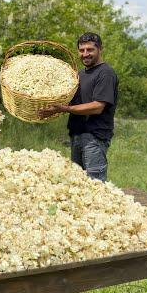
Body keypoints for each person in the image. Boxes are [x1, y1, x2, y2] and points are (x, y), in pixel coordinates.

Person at [38, 32, 118, 182]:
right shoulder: (79, 74)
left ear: (100, 49)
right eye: (82, 50)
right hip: (77, 134)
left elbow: (98, 106)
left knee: (95, 183)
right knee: (77, 183)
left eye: (90, 50)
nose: (85, 54)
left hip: (95, 137)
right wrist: (53, 109)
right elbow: (71, 103)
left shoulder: (105, 73)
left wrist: (64, 109)